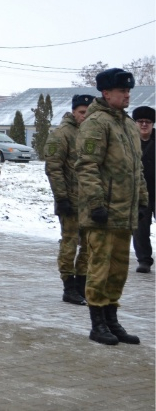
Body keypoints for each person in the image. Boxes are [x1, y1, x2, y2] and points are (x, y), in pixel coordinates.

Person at [75, 68, 147, 346]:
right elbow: (87, 166)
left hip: (124, 212)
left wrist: (141, 200)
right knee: (100, 267)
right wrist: (95, 203)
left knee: (118, 270)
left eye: (128, 91)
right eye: (122, 91)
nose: (127, 95)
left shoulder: (128, 125)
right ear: (106, 94)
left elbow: (135, 169)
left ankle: (112, 319)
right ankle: (97, 323)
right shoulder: (97, 123)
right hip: (102, 213)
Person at [44, 94, 93, 305]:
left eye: (89, 112)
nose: (85, 116)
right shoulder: (61, 134)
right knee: (70, 243)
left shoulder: (94, 133)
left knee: (89, 245)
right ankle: (68, 285)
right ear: (74, 112)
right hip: (70, 200)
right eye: (82, 112)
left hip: (91, 201)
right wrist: (62, 198)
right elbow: (53, 168)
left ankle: (82, 285)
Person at [131, 105, 154, 273]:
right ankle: (144, 260)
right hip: (139, 192)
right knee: (140, 229)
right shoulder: (129, 142)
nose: (144, 125)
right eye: (140, 121)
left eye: (148, 122)